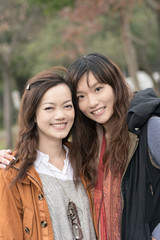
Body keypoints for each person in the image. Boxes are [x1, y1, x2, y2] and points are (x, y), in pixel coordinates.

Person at [1, 53, 160, 240]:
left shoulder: (148, 129)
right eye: (81, 97)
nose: (92, 102)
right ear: (33, 114)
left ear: (115, 84)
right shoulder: (87, 149)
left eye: (98, 89)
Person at [0, 67, 97, 240]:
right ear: (33, 114)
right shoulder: (12, 172)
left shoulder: (88, 161)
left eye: (67, 106)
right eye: (49, 108)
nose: (60, 115)